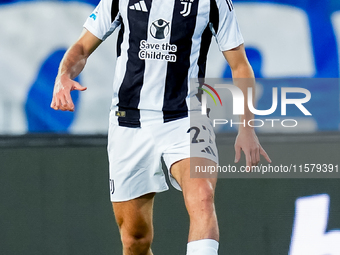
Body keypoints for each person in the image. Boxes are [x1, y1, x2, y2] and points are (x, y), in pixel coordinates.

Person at [51, 0, 271, 254]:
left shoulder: (213, 2)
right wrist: (64, 74)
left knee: (202, 195)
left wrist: (247, 127)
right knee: (135, 239)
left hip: (187, 116)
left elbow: (240, 64)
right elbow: (81, 47)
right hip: (129, 121)